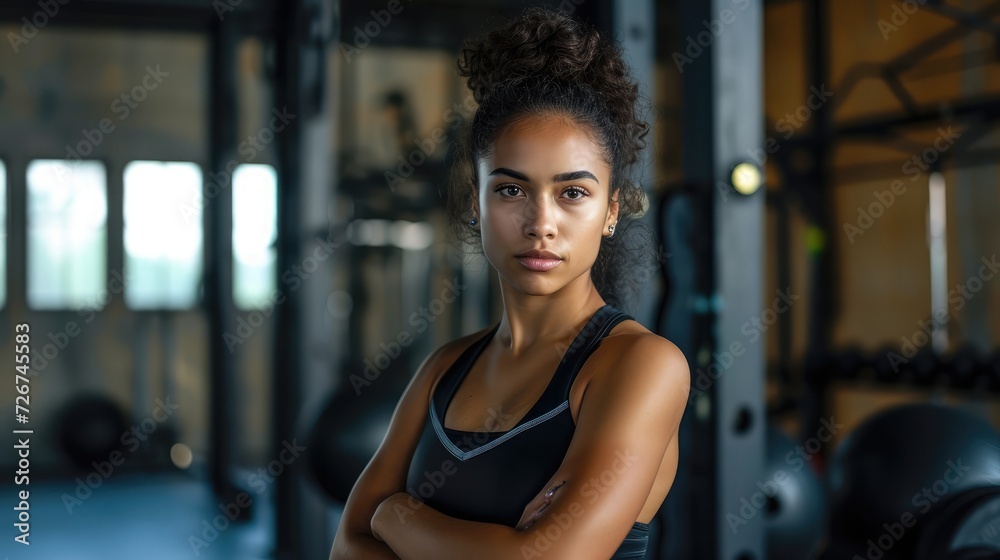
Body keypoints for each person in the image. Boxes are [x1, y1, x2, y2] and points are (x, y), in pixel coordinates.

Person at [329, 7, 690, 559]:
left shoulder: (642, 366)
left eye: (573, 193)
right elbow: (346, 548)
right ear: (476, 206)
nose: (541, 222)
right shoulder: (443, 369)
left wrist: (395, 515)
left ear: (612, 211)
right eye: (511, 190)